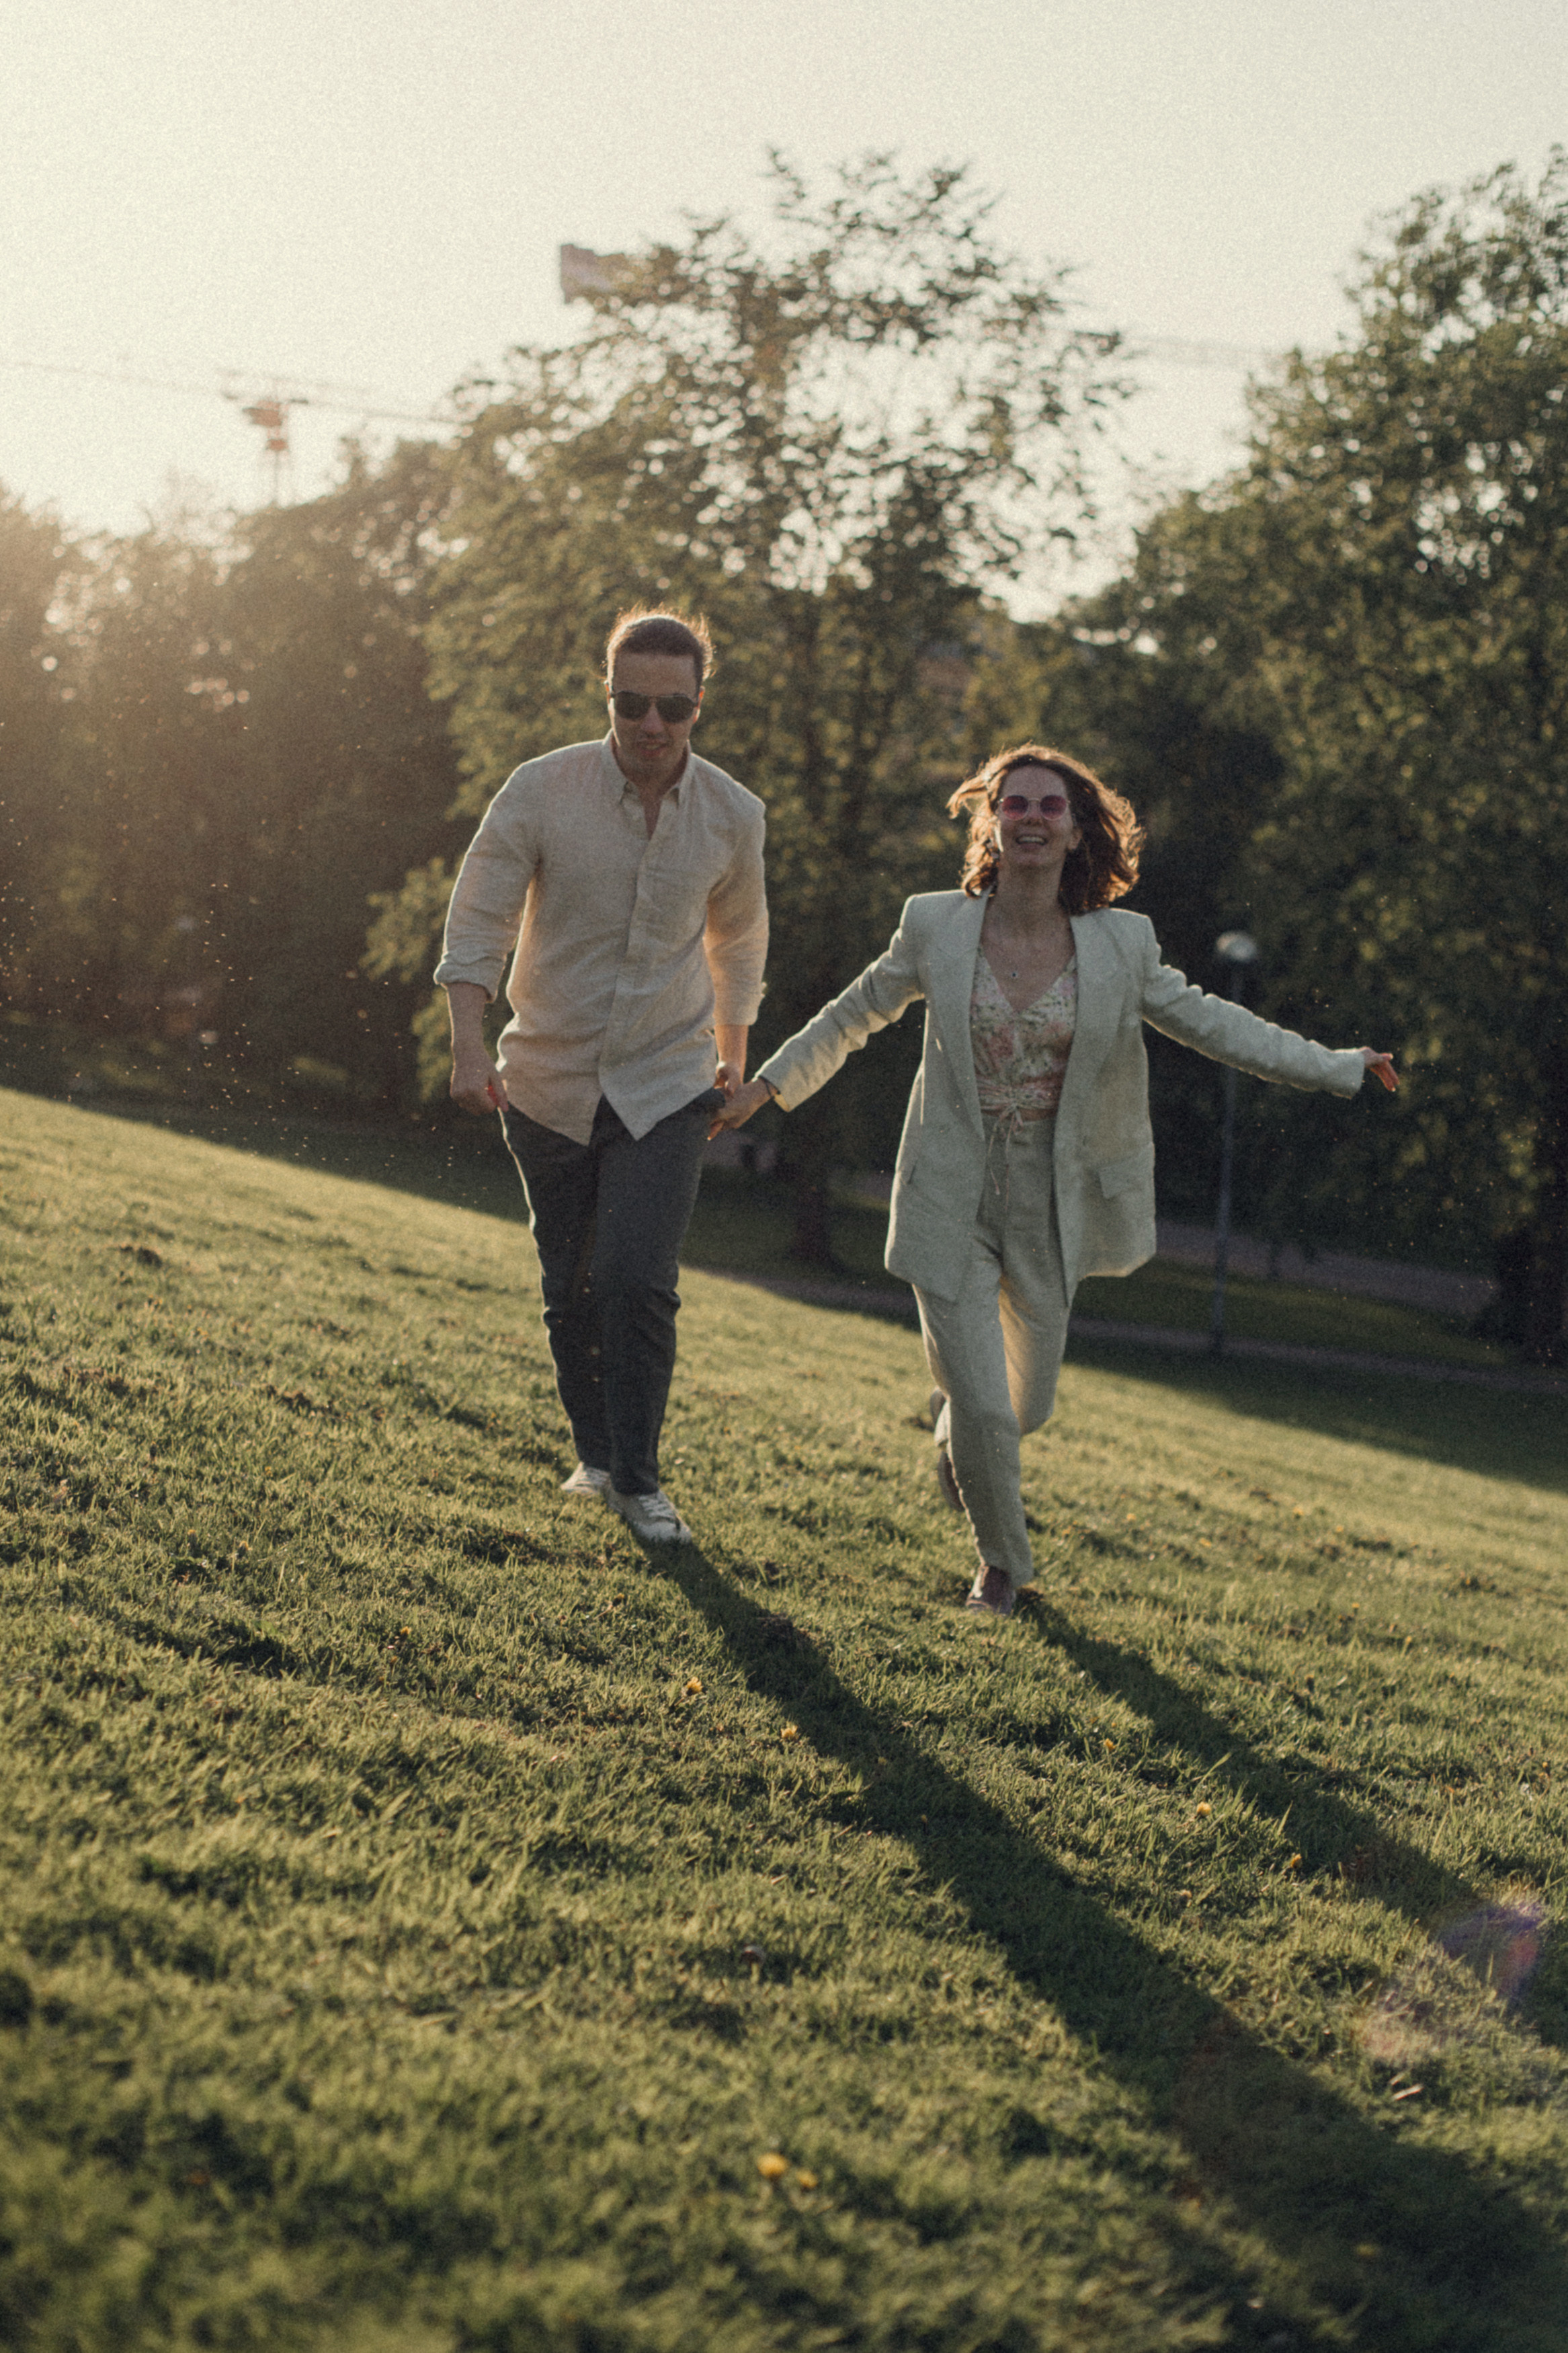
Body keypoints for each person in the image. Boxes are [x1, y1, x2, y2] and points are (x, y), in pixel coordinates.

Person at [714, 743, 1397, 1619]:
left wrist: (1337, 1066)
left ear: (1077, 833)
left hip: (1052, 1207)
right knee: (992, 1417)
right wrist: (762, 1089)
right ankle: (1001, 1569)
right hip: (948, 1194)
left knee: (1018, 1410)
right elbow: (854, 1014)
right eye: (1014, 804)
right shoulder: (935, 926)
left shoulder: (1121, 944)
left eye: (1048, 807)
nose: (1030, 818)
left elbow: (1215, 1025)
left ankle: (955, 1433)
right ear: (991, 824)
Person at [436, 609, 768, 1545]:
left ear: (697, 704)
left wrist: (734, 1060)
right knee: (569, 1282)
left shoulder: (734, 816)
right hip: (546, 1074)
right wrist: (469, 1044)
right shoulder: (541, 791)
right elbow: (477, 924)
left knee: (635, 1277)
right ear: (607, 697)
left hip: (667, 1080)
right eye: (631, 704)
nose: (651, 725)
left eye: (671, 706)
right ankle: (593, 1455)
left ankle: (639, 1478)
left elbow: (738, 943)